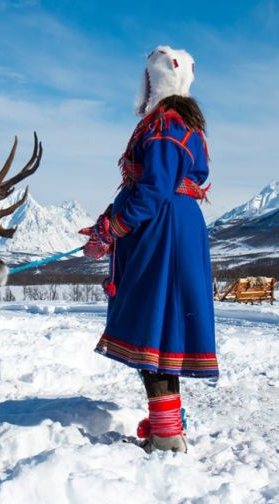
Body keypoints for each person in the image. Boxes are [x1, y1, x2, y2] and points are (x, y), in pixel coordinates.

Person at [80, 45, 218, 453]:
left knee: (153, 327)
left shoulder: (164, 126)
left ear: (152, 82)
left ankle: (167, 435)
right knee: (162, 328)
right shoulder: (184, 126)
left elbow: (152, 190)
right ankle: (168, 426)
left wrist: (112, 229)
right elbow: (146, 188)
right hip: (174, 226)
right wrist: (108, 219)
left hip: (161, 232)